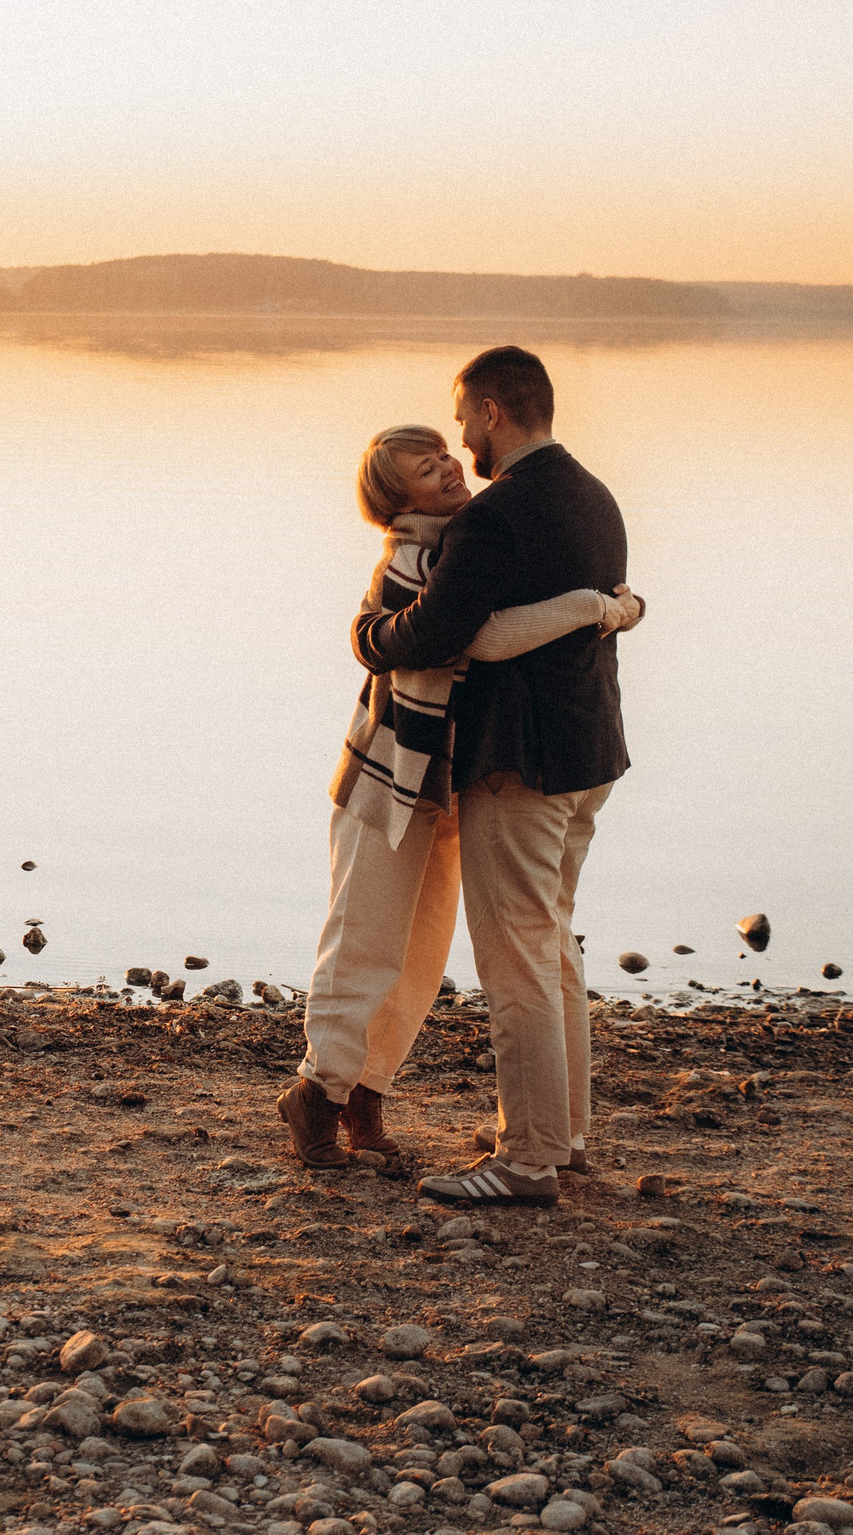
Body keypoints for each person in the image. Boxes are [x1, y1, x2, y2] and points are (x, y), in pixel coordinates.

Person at [279, 424, 640, 1168]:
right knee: (363, 940)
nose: (447, 465)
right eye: (425, 465)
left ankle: (365, 1091)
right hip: (387, 780)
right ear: (395, 498)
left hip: (436, 784)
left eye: (444, 453)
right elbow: (478, 636)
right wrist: (598, 608)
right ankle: (316, 1092)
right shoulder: (416, 556)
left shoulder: (465, 544)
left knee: (417, 954)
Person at [352, 347, 634, 1207]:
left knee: (513, 959)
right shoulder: (597, 495)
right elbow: (587, 608)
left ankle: (529, 1157)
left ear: (490, 415)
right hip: (591, 753)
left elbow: (442, 634)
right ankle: (567, 1133)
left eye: (463, 418)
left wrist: (368, 635)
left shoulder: (493, 517)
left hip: (519, 762)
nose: (461, 439)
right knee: (551, 947)